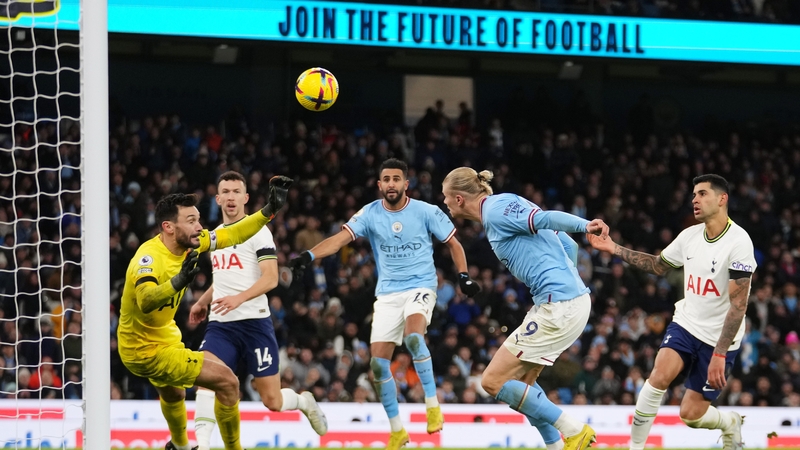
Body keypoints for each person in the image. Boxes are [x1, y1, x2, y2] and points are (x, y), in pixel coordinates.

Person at [290, 158, 480, 450]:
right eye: (386, 179)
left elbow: (454, 243)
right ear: (379, 185)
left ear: (406, 183)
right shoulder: (369, 213)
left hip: (420, 286)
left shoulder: (426, 211)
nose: (391, 184)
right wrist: (309, 256)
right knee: (379, 366)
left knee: (414, 338)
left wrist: (464, 276)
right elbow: (340, 239)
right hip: (388, 294)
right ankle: (397, 431)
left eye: (396, 179)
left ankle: (432, 405)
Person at [117, 176, 292, 450]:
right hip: (145, 349)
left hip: (164, 337)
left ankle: (180, 445)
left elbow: (234, 233)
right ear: (169, 227)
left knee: (174, 393)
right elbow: (146, 300)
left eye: (198, 219)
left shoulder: (192, 243)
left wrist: (269, 210)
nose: (199, 227)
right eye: (191, 221)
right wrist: (177, 282)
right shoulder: (148, 258)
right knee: (227, 382)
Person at [441, 167, 608, 450]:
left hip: (560, 305)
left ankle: (575, 431)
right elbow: (566, 245)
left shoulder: (495, 210)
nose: (443, 203)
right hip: (567, 301)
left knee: (493, 381)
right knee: (523, 385)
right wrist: (566, 284)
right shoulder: (505, 203)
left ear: (459, 198)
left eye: (445, 197)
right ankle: (554, 446)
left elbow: (547, 219)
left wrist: (585, 225)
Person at [587, 174, 754, 450]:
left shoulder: (739, 243)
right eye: (693, 195)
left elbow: (738, 306)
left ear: (722, 199)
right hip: (686, 324)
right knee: (658, 378)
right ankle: (635, 447)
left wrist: (720, 354)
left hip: (719, 339)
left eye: (702, 194)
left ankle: (729, 423)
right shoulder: (688, 236)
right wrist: (613, 247)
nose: (694, 200)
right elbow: (657, 265)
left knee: (691, 415)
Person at [189, 171, 327, 450]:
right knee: (205, 377)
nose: (230, 197)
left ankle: (303, 401)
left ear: (246, 198)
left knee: (272, 401)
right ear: (218, 198)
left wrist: (239, 299)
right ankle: (201, 444)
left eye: (236, 192)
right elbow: (224, 278)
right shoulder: (215, 236)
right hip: (222, 325)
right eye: (225, 192)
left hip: (255, 325)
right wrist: (203, 300)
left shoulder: (259, 231)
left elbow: (270, 278)